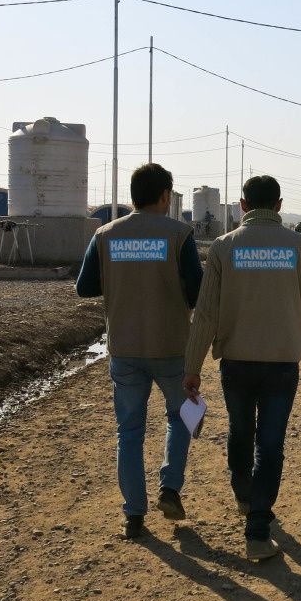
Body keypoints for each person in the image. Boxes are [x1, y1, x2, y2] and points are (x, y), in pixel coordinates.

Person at [185, 176, 301, 561]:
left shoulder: (223, 246)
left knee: (240, 430)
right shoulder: (300, 245)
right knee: (270, 442)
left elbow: (207, 314)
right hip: (282, 361)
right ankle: (259, 530)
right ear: (279, 205)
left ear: (243, 205)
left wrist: (192, 366)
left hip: (237, 361)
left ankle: (244, 495)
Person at [76, 163, 204, 539]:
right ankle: (169, 488)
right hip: (170, 347)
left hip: (124, 348)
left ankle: (134, 515)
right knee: (179, 417)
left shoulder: (105, 234)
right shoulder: (180, 234)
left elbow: (85, 288)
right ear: (165, 195)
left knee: (128, 431)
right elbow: (197, 293)